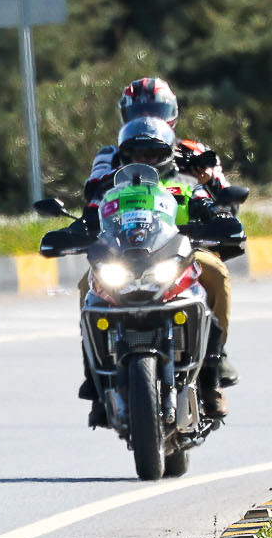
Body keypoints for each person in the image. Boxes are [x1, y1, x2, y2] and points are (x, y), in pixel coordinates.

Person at [83, 78, 236, 390]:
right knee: (86, 285)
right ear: (125, 116)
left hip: (182, 242)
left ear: (172, 114)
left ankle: (215, 357)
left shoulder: (194, 153)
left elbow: (224, 197)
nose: (147, 118)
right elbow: (94, 194)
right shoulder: (112, 155)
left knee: (217, 272)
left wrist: (206, 181)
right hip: (125, 244)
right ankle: (95, 373)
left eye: (155, 110)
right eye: (139, 112)